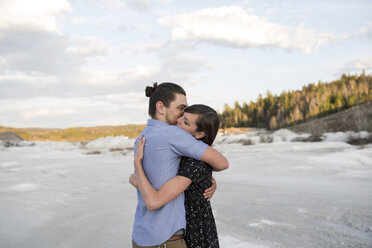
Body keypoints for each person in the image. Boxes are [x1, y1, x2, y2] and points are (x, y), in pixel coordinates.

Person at [131, 83, 228, 248]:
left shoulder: (142, 136)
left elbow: (134, 178)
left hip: (141, 236)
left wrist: (202, 179)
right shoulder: (173, 134)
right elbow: (222, 163)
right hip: (166, 239)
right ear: (161, 107)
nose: (180, 116)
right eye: (180, 109)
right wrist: (204, 173)